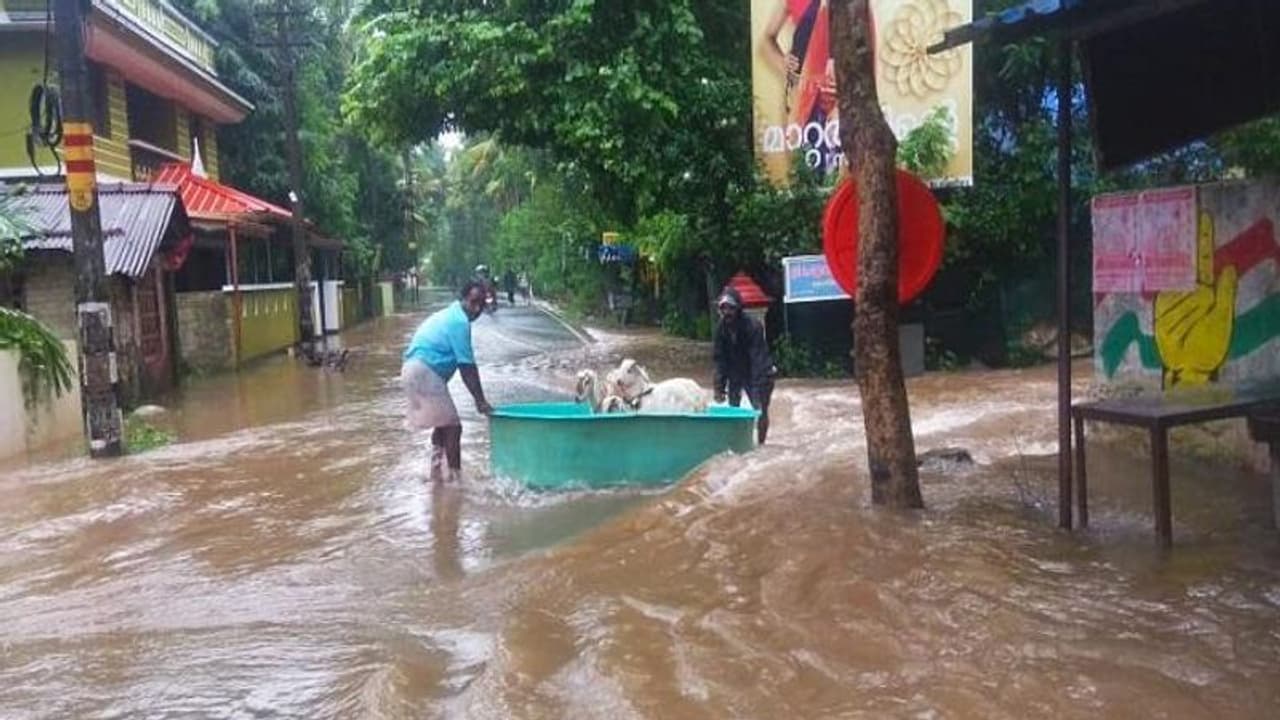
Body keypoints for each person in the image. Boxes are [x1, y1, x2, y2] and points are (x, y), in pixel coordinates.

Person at [401, 281, 494, 481]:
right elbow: (467, 367)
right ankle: (455, 481)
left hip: (412, 370)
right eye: (473, 302)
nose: (477, 309)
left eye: (481, 305)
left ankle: (435, 474)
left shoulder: (450, 314)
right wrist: (480, 401)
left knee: (442, 425)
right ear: (463, 299)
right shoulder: (459, 322)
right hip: (424, 371)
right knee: (453, 427)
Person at [713, 286, 777, 444]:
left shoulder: (753, 326)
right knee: (732, 410)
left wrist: (756, 396)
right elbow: (720, 359)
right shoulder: (720, 329)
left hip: (760, 371)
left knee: (761, 410)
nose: (727, 312)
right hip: (736, 371)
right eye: (723, 309)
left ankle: (761, 444)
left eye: (731, 308)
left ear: (738, 309)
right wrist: (719, 387)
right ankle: (736, 443)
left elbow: (758, 359)